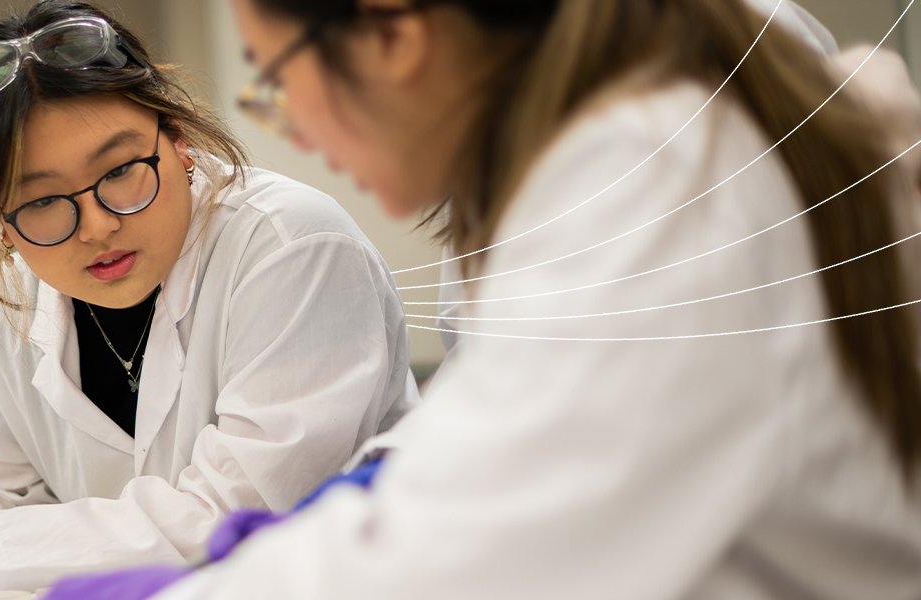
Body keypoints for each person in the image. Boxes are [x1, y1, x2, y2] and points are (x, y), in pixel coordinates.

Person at [45, 0, 921, 598]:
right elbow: (531, 417)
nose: (293, 127)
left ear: (393, 31)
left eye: (274, 78)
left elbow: (485, 554)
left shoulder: (652, 176)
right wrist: (389, 481)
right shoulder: (583, 163)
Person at [0, 2, 418, 598]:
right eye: (42, 200)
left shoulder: (291, 247)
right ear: (0, 221)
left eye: (121, 169)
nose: (98, 226)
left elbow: (236, 515)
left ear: (178, 140)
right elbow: (0, 501)